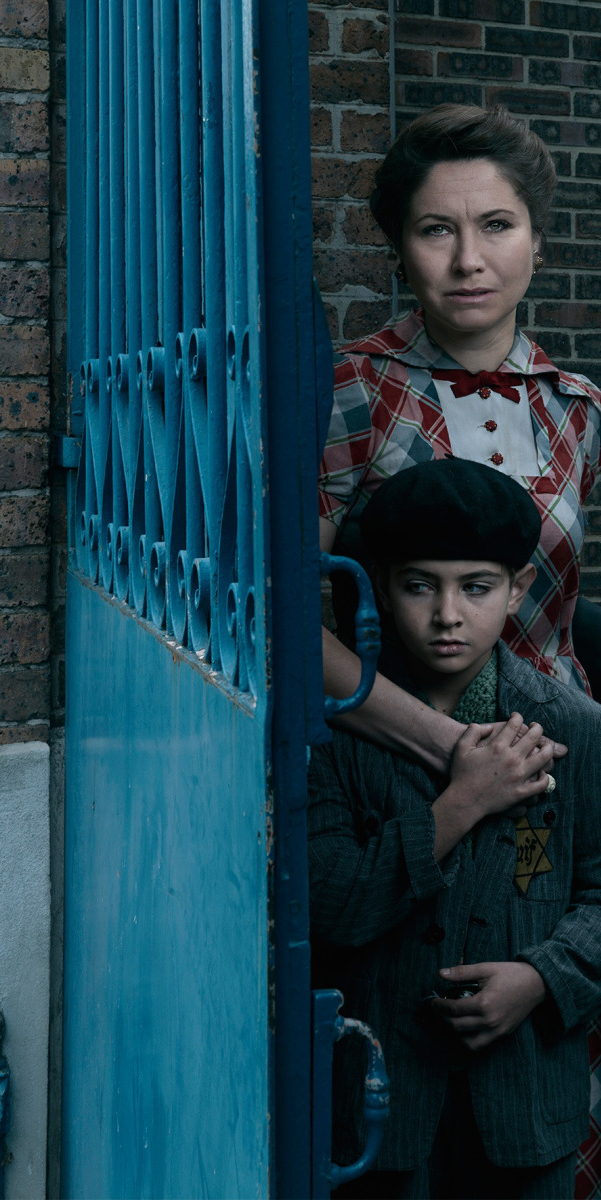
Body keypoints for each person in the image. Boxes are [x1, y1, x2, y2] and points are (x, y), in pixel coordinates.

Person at [318, 104, 601, 1183]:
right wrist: (441, 750)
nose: (470, 258)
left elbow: (555, 609)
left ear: (538, 237)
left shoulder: (579, 408)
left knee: (542, 1088)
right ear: (400, 243)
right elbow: (304, 611)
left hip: (552, 768)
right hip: (391, 759)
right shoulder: (348, 388)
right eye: (438, 229)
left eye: (498, 225)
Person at [309, 458, 601, 1195]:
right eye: (419, 585)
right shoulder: (335, 732)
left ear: (517, 589)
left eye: (475, 588)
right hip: (379, 1111)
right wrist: (460, 803)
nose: (447, 614)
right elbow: (331, 906)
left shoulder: (574, 727)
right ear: (378, 585)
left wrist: (541, 977)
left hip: (527, 1106)